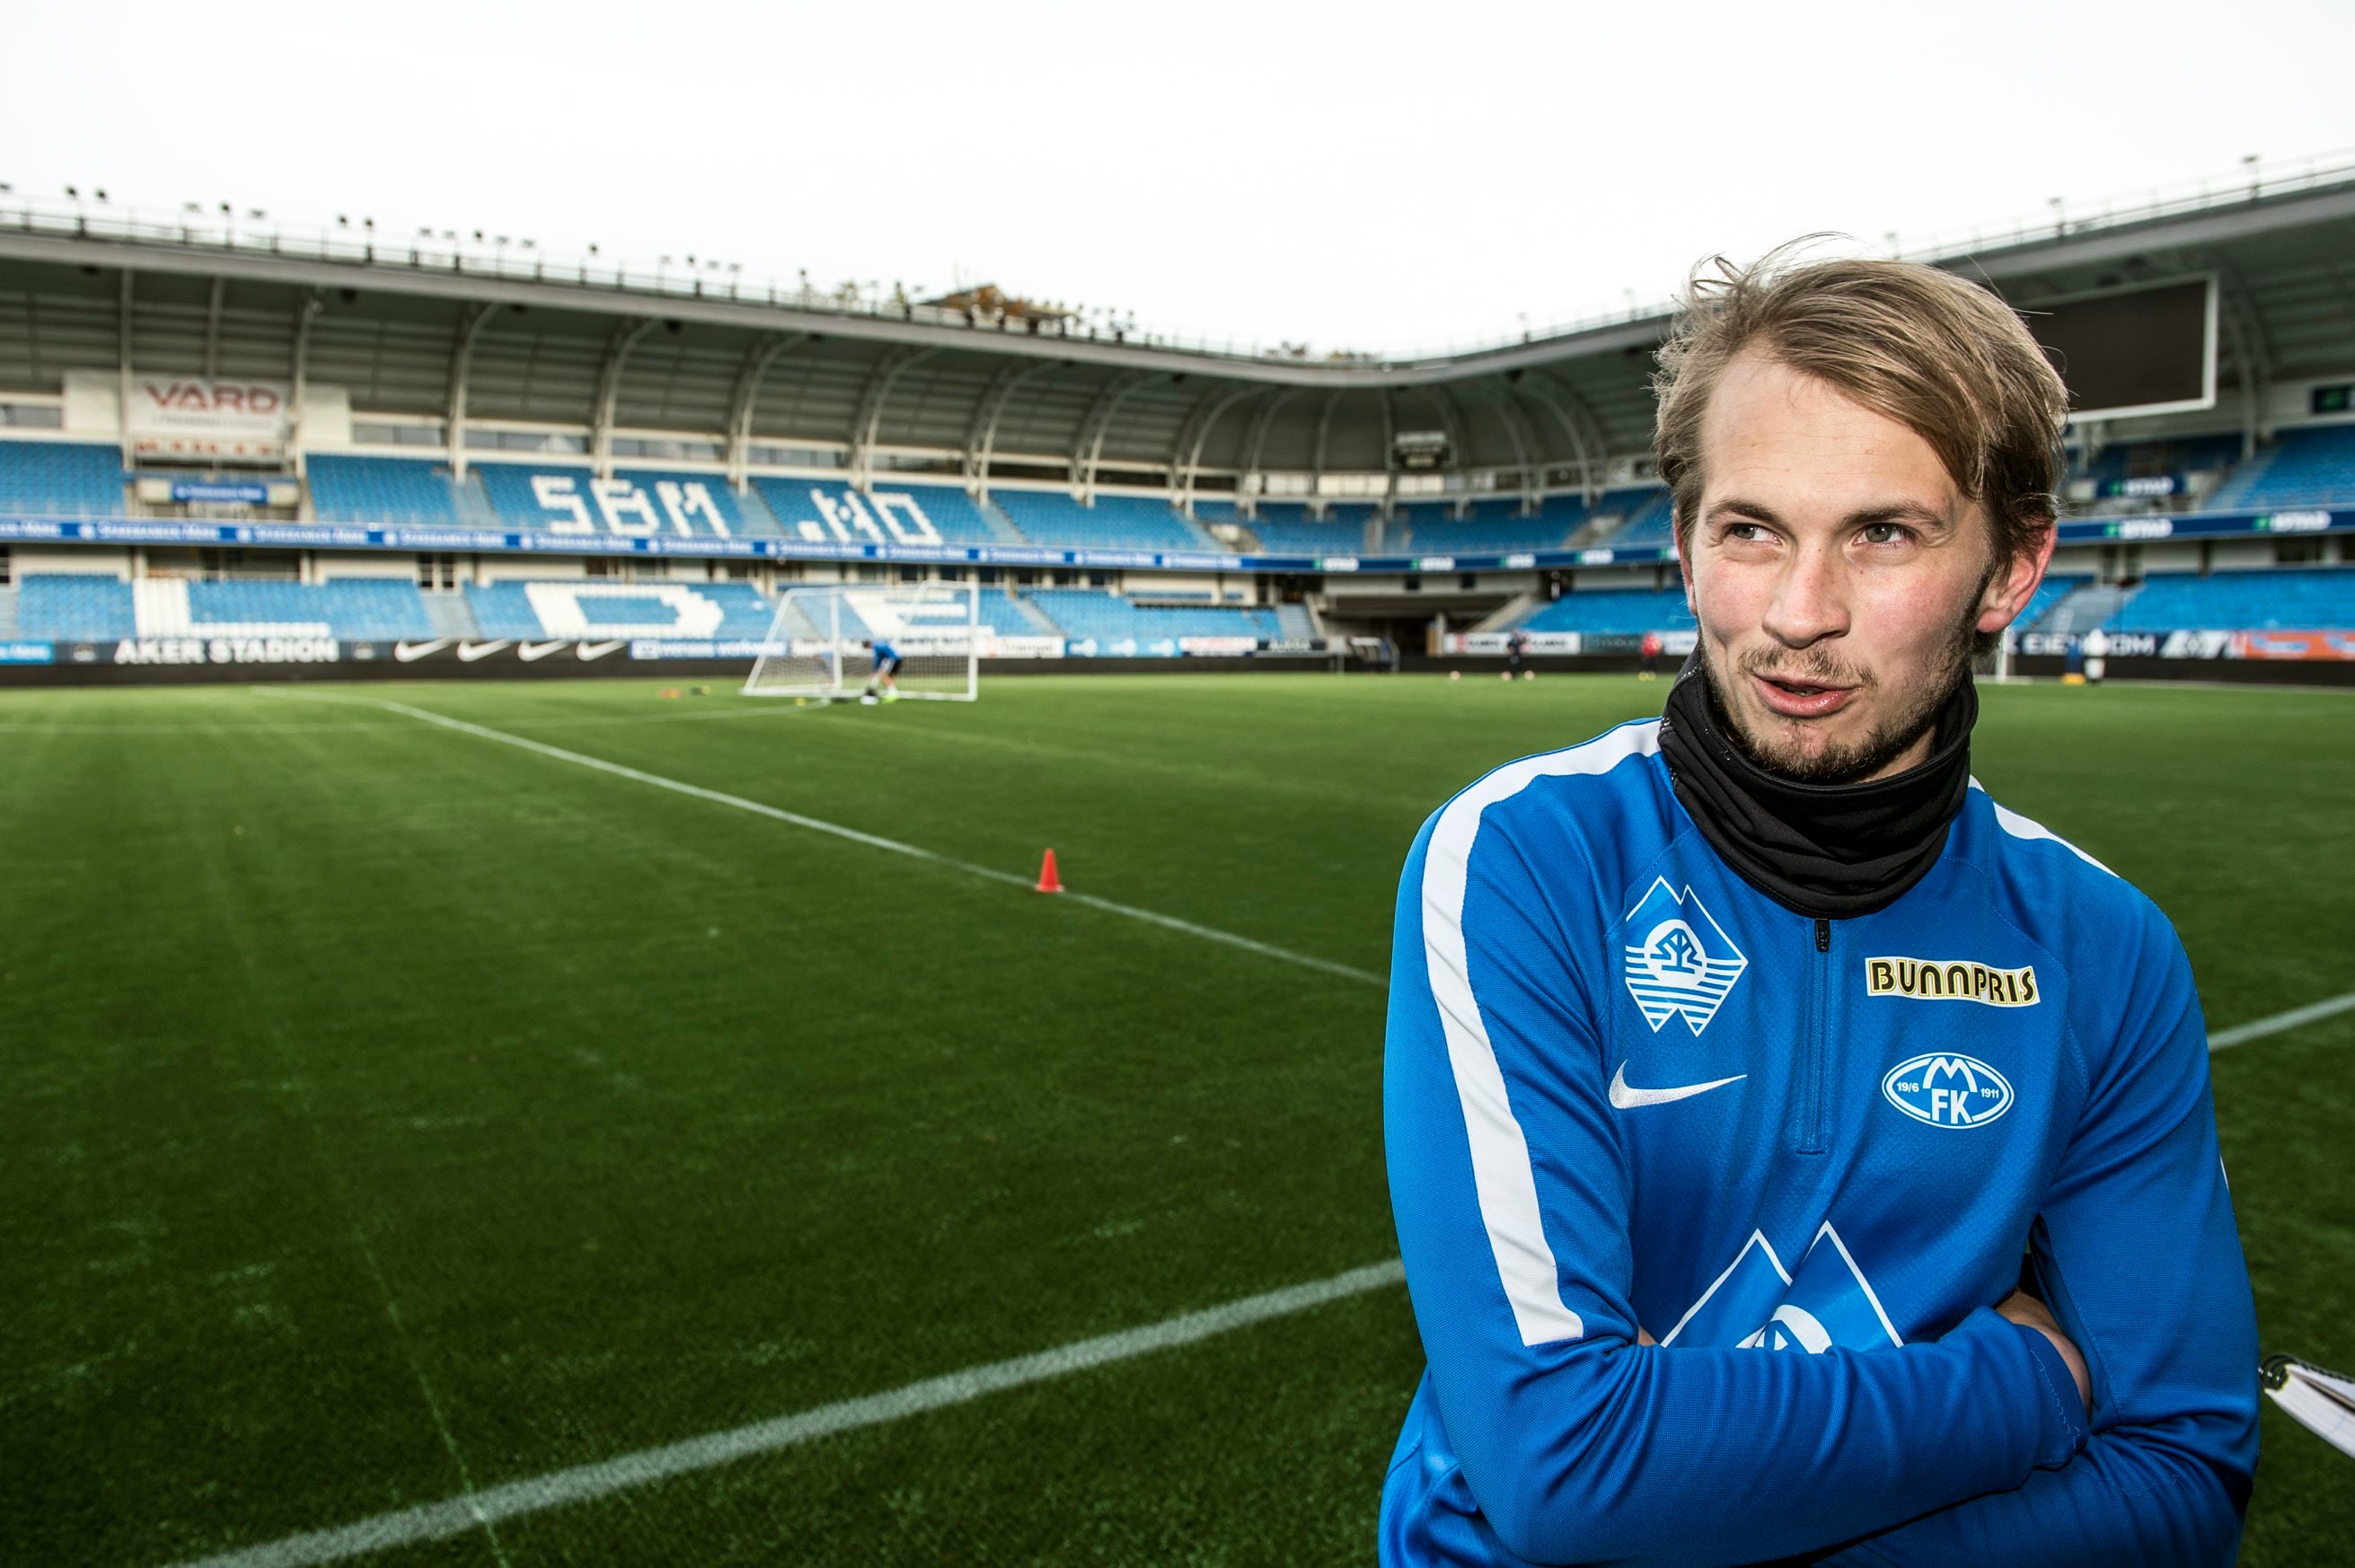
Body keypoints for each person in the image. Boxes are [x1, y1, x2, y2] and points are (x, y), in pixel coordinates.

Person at [1380, 249, 2257, 1567]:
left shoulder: (2104, 948)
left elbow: (2183, 1472)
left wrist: (1680, 1480)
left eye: (1882, 534)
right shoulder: (1524, 859)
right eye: (1751, 530)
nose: (1799, 615)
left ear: (2011, 569)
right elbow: (1561, 1464)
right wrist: (2032, 1381)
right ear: (1686, 548)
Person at [862, 637, 902, 704]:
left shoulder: (876, 647)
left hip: (892, 659)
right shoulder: (880, 643)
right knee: (890, 676)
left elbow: (878, 659)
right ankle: (891, 693)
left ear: (868, 645)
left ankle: (893, 694)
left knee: (883, 675)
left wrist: (875, 670)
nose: (869, 649)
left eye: (868, 648)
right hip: (898, 658)